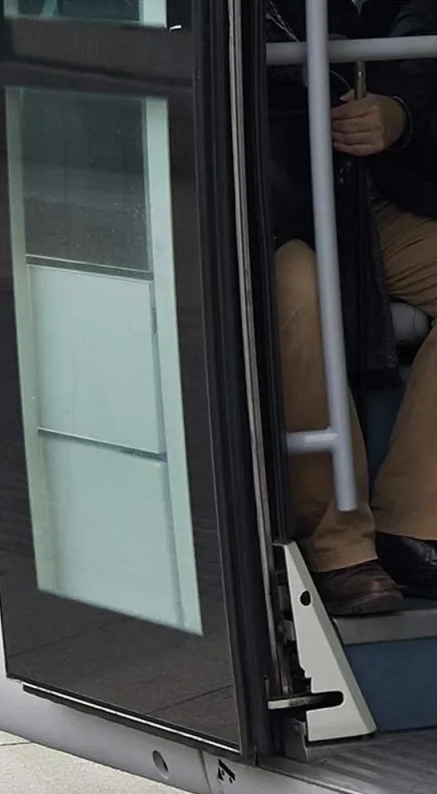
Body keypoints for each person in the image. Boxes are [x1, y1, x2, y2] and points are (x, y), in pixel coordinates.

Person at [265, 0, 437, 615]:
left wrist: (401, 117)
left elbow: (414, 75)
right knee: (298, 290)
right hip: (261, 208)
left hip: (367, 201)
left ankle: (415, 523)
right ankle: (340, 546)